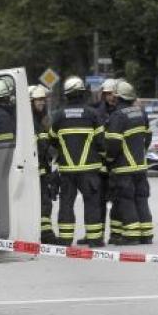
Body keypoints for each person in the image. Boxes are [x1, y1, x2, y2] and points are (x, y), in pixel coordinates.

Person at [49, 76, 105, 246]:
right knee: (92, 203)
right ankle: (95, 239)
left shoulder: (58, 116)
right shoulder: (92, 114)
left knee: (66, 204)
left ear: (66, 95)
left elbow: (52, 140)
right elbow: (101, 141)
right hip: (89, 170)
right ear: (82, 93)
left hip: (67, 171)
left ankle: (65, 239)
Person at [104, 82, 153, 244]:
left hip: (124, 167)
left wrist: (109, 161)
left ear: (118, 97)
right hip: (141, 165)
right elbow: (148, 137)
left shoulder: (118, 116)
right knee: (141, 198)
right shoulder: (141, 113)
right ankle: (146, 234)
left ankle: (131, 235)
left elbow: (113, 144)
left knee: (126, 199)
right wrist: (141, 153)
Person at [30, 85, 59, 244]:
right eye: (38, 100)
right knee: (44, 203)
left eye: (43, 100)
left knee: (45, 202)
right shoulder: (31, 122)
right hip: (36, 171)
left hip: (43, 169)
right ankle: (46, 235)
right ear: (31, 101)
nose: (41, 103)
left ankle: (44, 233)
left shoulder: (42, 121)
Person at [94, 80, 120, 232]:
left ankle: (116, 233)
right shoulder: (96, 111)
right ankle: (97, 233)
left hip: (117, 160)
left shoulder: (121, 110)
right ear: (103, 95)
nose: (111, 97)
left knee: (118, 198)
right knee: (98, 200)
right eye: (108, 94)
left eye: (112, 94)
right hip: (100, 161)